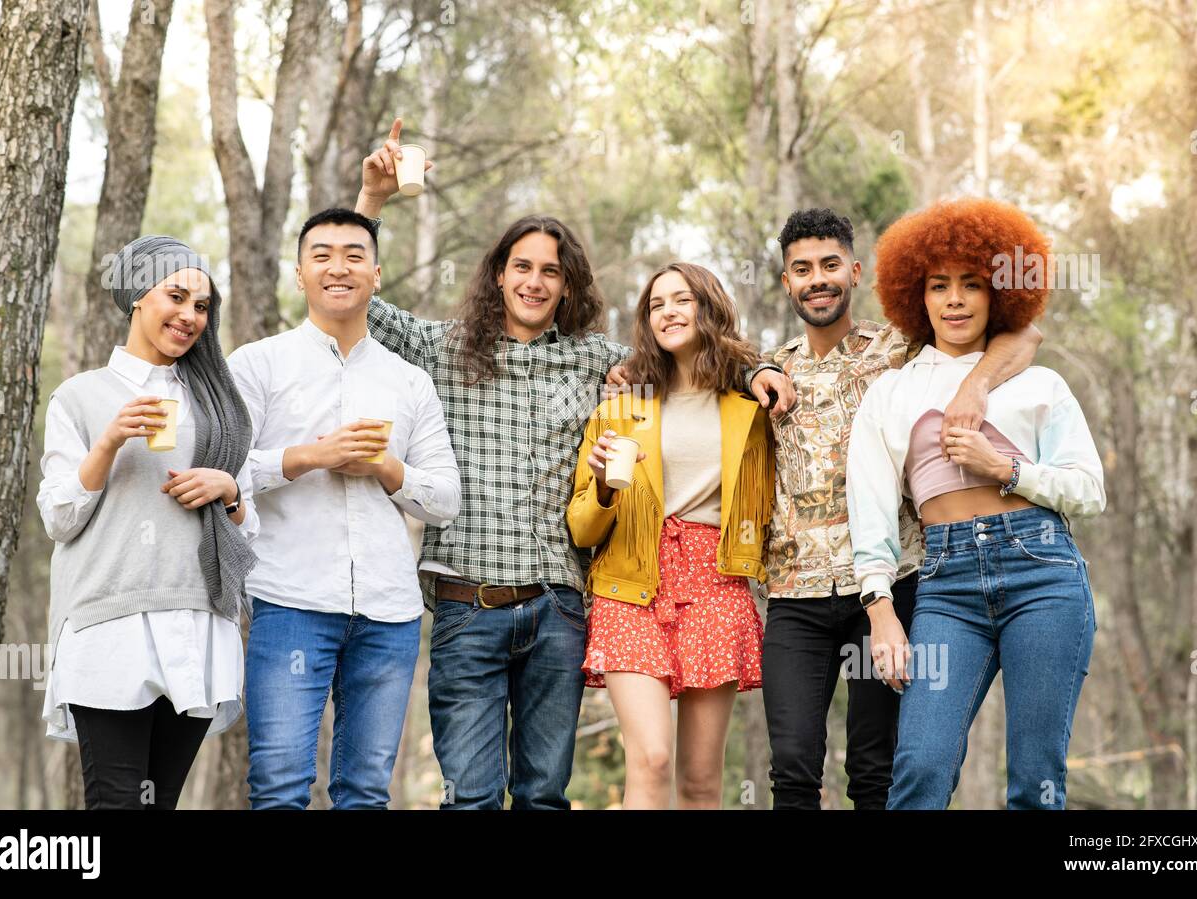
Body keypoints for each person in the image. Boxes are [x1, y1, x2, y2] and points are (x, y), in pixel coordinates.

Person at [353, 120, 794, 809]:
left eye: (550, 271)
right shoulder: (443, 348)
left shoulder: (596, 362)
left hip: (560, 609)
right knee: (470, 796)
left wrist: (759, 364)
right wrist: (371, 200)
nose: (534, 281)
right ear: (499, 275)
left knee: (544, 795)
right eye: (521, 266)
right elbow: (358, 305)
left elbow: (688, 350)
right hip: (467, 604)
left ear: (566, 285)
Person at [760, 208, 1043, 809]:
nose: (818, 279)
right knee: (791, 765)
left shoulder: (903, 347)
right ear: (786, 282)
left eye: (830, 265)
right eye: (802, 269)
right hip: (795, 593)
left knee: (875, 766)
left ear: (855, 272)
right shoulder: (770, 370)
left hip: (895, 585)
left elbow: (1024, 335)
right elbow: (697, 362)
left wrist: (973, 388)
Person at [847, 197, 1105, 809]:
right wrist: (881, 612)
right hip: (945, 584)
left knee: (1036, 777)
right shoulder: (890, 391)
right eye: (939, 286)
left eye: (972, 284)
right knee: (921, 765)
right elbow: (872, 511)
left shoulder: (1038, 382)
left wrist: (1006, 469)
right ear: (918, 296)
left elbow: (1089, 489)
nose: (955, 300)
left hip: (1042, 573)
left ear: (998, 295)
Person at [227, 208, 460, 809]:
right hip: (289, 603)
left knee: (364, 794)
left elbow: (444, 498)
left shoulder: (410, 382)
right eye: (322, 255)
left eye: (355, 255)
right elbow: (222, 474)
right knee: (279, 790)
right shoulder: (257, 364)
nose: (339, 267)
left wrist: (385, 467)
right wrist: (309, 456)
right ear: (300, 273)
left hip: (390, 613)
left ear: (376, 275)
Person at [38, 236, 258, 810]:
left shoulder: (220, 404)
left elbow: (247, 528)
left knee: (157, 803)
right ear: (138, 295)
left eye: (202, 306)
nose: (190, 316)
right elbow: (60, 518)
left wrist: (228, 489)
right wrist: (109, 441)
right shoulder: (80, 397)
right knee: (117, 803)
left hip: (196, 623)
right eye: (176, 296)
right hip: (110, 626)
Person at [568, 262, 775, 809]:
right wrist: (607, 493)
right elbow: (582, 525)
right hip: (630, 582)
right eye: (656, 305)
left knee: (703, 780)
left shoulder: (751, 409)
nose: (668, 312)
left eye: (682, 300)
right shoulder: (620, 407)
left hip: (716, 583)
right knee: (652, 757)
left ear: (708, 308)